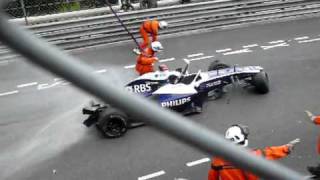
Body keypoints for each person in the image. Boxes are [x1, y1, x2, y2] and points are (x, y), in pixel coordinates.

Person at [208, 124, 300, 180]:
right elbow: (270, 153)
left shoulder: (218, 160)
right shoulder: (254, 156)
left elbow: (212, 177)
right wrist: (287, 148)